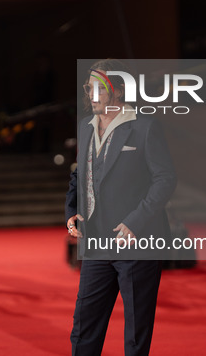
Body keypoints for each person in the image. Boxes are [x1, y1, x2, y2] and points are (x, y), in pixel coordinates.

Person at [65, 59, 177, 355]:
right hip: (97, 243)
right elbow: (79, 174)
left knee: (136, 336)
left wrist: (135, 221)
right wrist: (72, 211)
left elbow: (165, 179)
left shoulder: (144, 127)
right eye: (89, 87)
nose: (91, 93)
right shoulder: (85, 127)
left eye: (98, 87)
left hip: (138, 243)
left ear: (116, 91)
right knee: (83, 328)